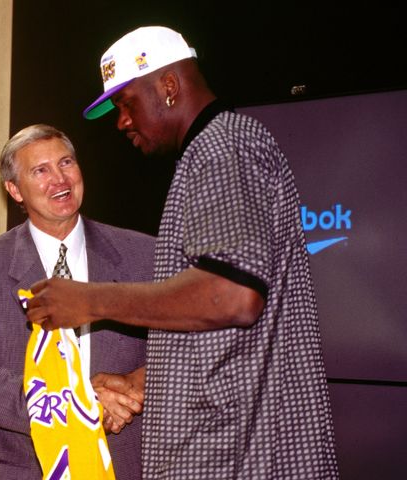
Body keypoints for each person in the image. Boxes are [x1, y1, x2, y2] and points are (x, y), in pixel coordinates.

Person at [26, 26, 339, 479]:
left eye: (126, 103)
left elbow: (233, 296)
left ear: (169, 87)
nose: (121, 122)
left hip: (244, 458)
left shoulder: (223, 148)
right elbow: (228, 331)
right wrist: (146, 381)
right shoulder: (209, 154)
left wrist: (89, 300)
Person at [0, 124, 155, 479]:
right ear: (14, 190)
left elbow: (185, 352)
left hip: (128, 464)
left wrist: (137, 384)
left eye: (66, 163)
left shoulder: (143, 255)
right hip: (27, 468)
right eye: (40, 171)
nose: (60, 179)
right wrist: (77, 403)